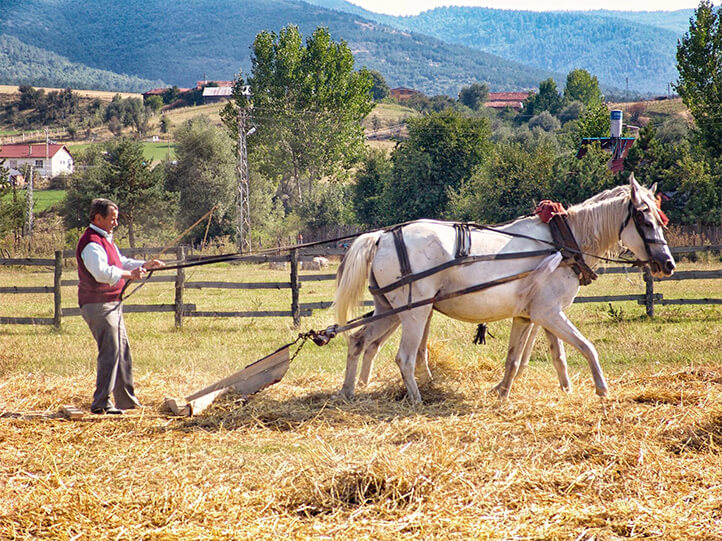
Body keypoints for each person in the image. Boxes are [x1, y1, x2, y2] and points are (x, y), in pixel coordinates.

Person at [76, 198, 165, 415]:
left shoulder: (105, 239)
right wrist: (129, 274)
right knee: (111, 352)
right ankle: (101, 404)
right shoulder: (91, 242)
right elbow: (102, 273)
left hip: (111, 303)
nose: (115, 223)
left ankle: (126, 401)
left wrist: (144, 265)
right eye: (112, 219)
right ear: (98, 218)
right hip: (98, 305)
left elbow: (120, 262)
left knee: (122, 352)